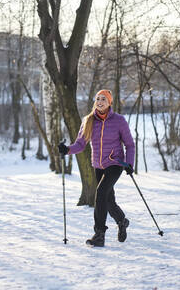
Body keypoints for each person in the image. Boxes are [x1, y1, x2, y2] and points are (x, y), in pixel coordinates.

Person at [58, 89, 135, 247]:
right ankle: (122, 221)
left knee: (100, 193)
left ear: (109, 102)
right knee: (108, 201)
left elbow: (129, 144)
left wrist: (129, 163)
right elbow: (80, 144)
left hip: (115, 163)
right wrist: (67, 150)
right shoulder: (89, 120)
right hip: (98, 165)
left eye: (104, 99)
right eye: (98, 99)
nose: (100, 102)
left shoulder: (119, 120)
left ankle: (99, 234)